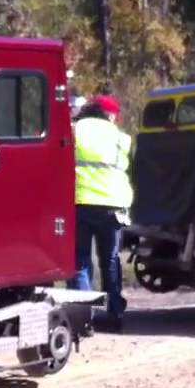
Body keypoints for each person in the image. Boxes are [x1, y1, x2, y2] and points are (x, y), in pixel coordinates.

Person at [66, 94, 134, 332]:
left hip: (81, 202)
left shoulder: (74, 129)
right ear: (109, 115)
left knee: (80, 260)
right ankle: (114, 313)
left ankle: (82, 318)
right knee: (111, 260)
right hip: (114, 206)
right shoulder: (121, 138)